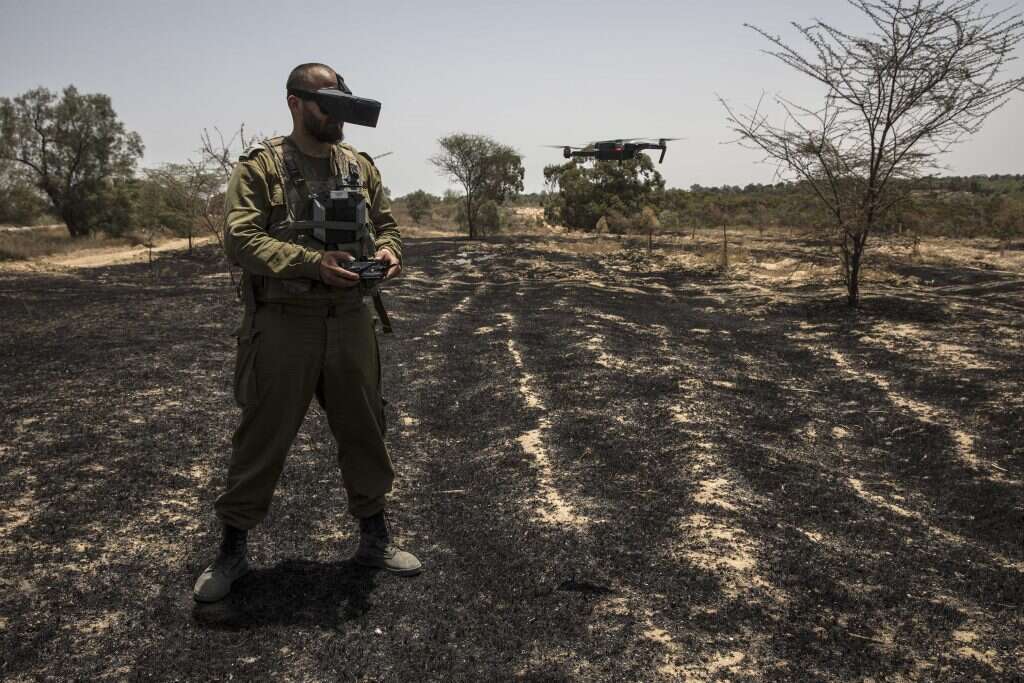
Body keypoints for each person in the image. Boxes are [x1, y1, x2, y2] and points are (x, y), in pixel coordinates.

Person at [193, 63, 421, 603]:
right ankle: (232, 552)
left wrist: (389, 253)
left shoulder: (358, 166)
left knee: (366, 429)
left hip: (350, 321)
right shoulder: (261, 167)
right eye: (327, 104)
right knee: (262, 437)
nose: (338, 115)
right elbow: (241, 239)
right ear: (295, 103)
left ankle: (374, 538)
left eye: (344, 103)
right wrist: (312, 263)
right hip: (282, 325)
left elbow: (386, 225)